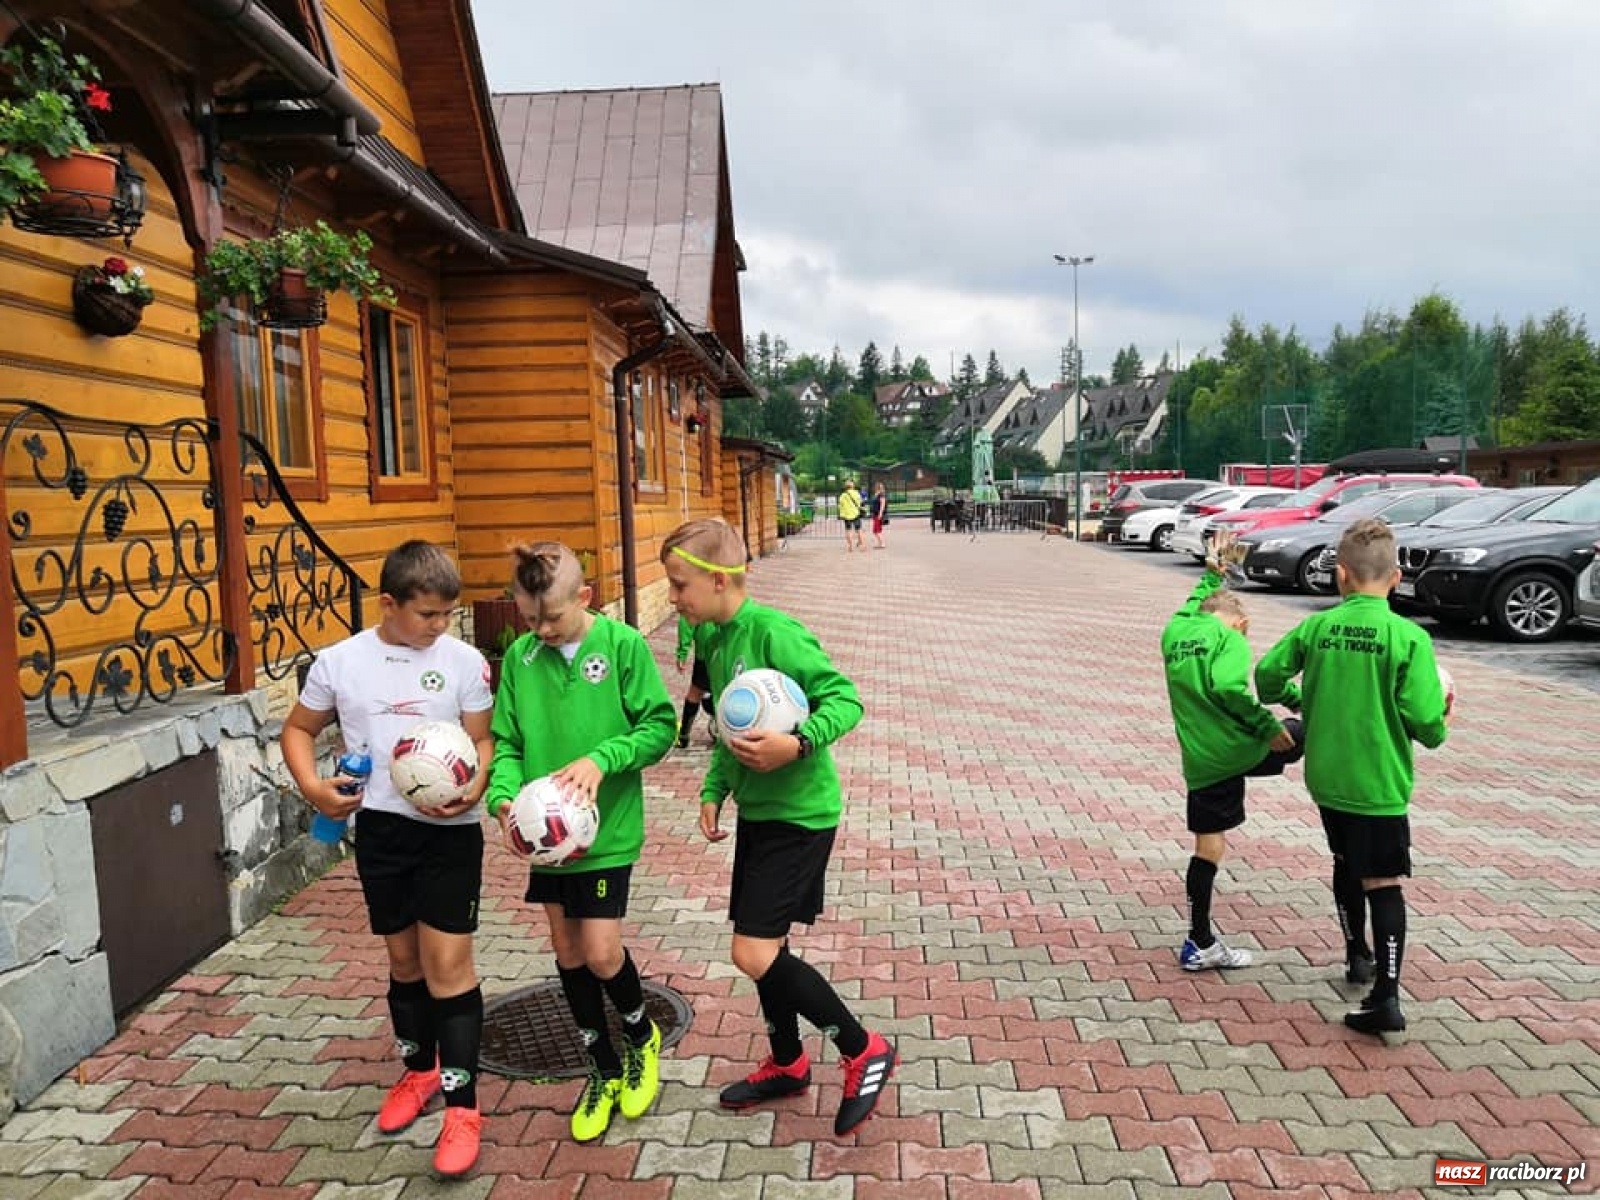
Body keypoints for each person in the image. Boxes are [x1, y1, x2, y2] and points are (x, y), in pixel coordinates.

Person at [659, 517, 896, 1137]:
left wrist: (798, 743)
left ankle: (861, 1047)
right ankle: (789, 1063)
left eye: (680, 584)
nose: (674, 598)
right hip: (760, 815)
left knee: (752, 951)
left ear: (717, 578)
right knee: (771, 950)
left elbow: (845, 698)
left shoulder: (773, 631)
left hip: (801, 815)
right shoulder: (712, 639)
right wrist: (714, 791)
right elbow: (726, 727)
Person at [280, 540, 494, 1178]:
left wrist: (474, 785)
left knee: (447, 965)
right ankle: (419, 1073)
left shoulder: (463, 662)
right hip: (381, 832)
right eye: (427, 614)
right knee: (403, 961)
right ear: (389, 604)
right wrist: (314, 788)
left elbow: (483, 740)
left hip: (450, 834)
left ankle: (464, 1107)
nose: (440, 626)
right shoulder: (341, 662)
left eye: (448, 615)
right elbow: (298, 729)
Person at [483, 542, 677, 1141]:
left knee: (599, 952)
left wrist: (603, 757)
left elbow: (660, 726)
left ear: (585, 598)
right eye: (529, 617)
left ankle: (640, 1032)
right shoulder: (520, 658)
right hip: (546, 839)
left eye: (552, 618)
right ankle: (601, 1067)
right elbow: (508, 743)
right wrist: (504, 803)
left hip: (605, 834)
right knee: (566, 954)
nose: (540, 629)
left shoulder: (622, 647)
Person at [1256, 517, 1451, 1035]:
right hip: (1378, 784)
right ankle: (1386, 995)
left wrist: (1305, 702)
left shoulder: (1317, 627)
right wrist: (1442, 721)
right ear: (1396, 578)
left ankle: (1356, 953)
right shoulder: (1407, 637)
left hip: (1328, 778)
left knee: (1345, 861)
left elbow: (1267, 677)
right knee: (1383, 880)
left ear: (1340, 576)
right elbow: (1427, 724)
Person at [1161, 529, 1302, 972]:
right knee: (1304, 730)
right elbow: (1228, 686)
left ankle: (1198, 940)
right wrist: (1267, 727)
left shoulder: (1177, 630)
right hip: (1237, 751)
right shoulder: (1231, 639)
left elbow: (1195, 604)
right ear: (1240, 623)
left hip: (1199, 761)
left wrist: (1211, 576)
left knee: (1208, 846)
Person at [675, 613, 716, 748]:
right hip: (708, 654)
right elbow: (687, 619)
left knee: (699, 692)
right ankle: (684, 734)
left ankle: (684, 735)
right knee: (699, 691)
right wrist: (683, 651)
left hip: (719, 652)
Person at [838, 479, 865, 552]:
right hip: (856, 514)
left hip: (847, 515)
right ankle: (862, 546)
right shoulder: (857, 493)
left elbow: (840, 505)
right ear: (853, 486)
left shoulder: (843, 495)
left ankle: (850, 546)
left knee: (848, 531)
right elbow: (860, 503)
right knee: (859, 530)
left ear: (845, 486)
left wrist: (841, 514)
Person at [870, 483, 890, 550]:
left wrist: (880, 514)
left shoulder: (881, 495)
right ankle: (880, 543)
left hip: (878, 514)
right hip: (875, 514)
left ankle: (882, 544)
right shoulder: (877, 494)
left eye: (876, 487)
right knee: (877, 530)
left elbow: (882, 505)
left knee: (876, 530)